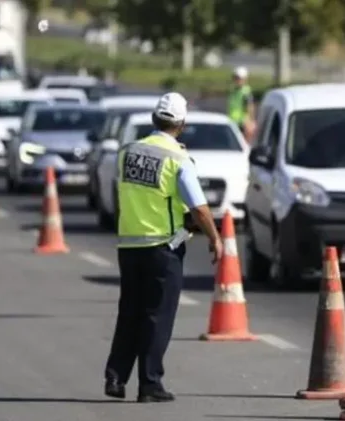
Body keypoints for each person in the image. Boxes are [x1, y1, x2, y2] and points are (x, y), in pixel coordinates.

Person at [104, 92, 223, 402]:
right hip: (162, 247)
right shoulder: (178, 159)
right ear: (181, 124)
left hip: (129, 245)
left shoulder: (127, 152)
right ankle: (149, 384)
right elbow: (198, 209)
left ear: (154, 119)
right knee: (157, 316)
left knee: (129, 312)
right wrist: (215, 238)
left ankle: (115, 377)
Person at [227, 66, 256, 140]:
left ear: (245, 79)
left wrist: (250, 122)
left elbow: (250, 107)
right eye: (236, 78)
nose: (237, 80)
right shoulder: (234, 90)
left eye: (239, 78)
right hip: (232, 121)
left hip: (242, 123)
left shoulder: (246, 92)